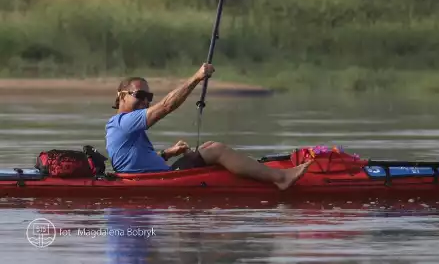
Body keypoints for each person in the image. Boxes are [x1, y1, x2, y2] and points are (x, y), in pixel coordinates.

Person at [106, 63, 311, 190]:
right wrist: (196, 78)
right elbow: (166, 106)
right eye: (140, 95)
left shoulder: (120, 126)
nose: (145, 101)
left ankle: (261, 172)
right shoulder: (124, 122)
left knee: (208, 147)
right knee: (215, 150)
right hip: (156, 181)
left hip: (156, 174)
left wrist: (167, 153)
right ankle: (281, 177)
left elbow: (133, 160)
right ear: (121, 96)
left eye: (148, 97)